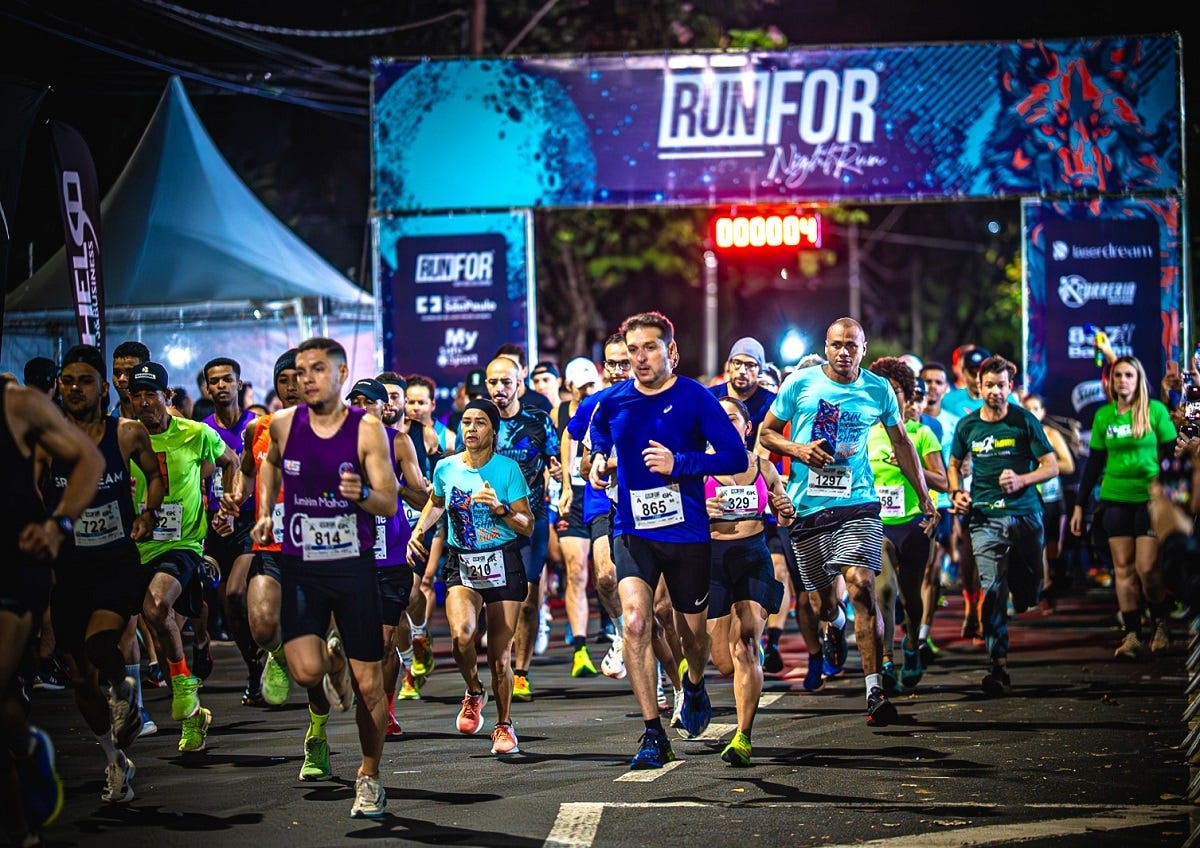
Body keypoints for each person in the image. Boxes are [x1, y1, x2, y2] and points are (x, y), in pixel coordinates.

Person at [587, 311, 748, 769]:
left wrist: (680, 463)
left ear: (671, 351)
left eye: (650, 348)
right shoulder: (613, 401)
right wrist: (598, 461)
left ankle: (693, 683)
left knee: (692, 637)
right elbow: (599, 437)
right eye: (633, 350)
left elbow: (735, 457)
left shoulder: (695, 397)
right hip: (632, 529)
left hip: (687, 534)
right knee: (636, 622)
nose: (640, 358)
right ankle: (653, 733)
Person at [758, 317, 937, 727]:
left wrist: (926, 496)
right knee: (822, 605)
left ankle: (875, 690)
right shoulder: (800, 384)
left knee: (861, 586)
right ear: (826, 346)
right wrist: (798, 450)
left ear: (863, 349)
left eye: (851, 345)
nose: (843, 352)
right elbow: (767, 435)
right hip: (808, 508)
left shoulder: (878, 389)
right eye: (836, 344)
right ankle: (836, 624)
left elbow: (901, 441)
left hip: (858, 503)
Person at [250, 337, 397, 818]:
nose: (306, 379)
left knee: (370, 687)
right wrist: (266, 512)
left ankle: (369, 775)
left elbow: (388, 502)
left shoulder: (366, 429)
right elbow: (270, 466)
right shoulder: (284, 424)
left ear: (340, 373)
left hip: (353, 567)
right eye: (299, 371)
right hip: (302, 565)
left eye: (317, 369)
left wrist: (362, 495)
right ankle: (333, 667)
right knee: (305, 672)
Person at [37, 344, 165, 804]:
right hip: (70, 568)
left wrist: (147, 513)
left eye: (85, 381)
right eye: (68, 381)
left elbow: (155, 476)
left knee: (99, 643)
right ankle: (115, 760)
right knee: (80, 681)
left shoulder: (126, 433)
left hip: (115, 561)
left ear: (105, 388)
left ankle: (123, 689)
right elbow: (32, 493)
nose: (75, 389)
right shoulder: (46, 440)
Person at [225, 348, 340, 781]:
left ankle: (317, 734)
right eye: (284, 379)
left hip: (319, 554)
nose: (293, 386)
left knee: (310, 661)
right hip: (272, 547)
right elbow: (246, 472)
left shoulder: (333, 428)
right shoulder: (259, 428)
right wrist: (236, 497)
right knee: (261, 625)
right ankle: (273, 655)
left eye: (300, 377)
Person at [1, 372, 104, 848]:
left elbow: (89, 458)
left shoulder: (17, 404)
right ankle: (25, 755)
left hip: (16, 564)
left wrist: (58, 525)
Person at [406, 398, 534, 756]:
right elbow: (435, 502)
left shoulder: (507, 470)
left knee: (499, 656)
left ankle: (504, 725)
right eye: (466, 422)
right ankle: (475, 691)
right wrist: (418, 532)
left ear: (493, 431)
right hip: (462, 562)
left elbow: (527, 525)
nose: (471, 429)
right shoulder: (446, 468)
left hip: (503, 561)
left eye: (480, 422)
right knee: (462, 638)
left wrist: (501, 509)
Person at [128, 361, 239, 753]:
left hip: (182, 544)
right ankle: (192, 714)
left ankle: (184, 681)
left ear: (167, 396)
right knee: (152, 635)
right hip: (134, 546)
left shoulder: (195, 433)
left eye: (151, 394)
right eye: (137, 395)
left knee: (158, 606)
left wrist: (227, 505)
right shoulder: (123, 438)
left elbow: (231, 461)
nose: (144, 402)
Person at [948, 354, 1058, 695]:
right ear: (978, 387)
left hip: (1025, 514)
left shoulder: (1024, 421)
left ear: (1011, 387)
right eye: (989, 385)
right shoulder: (967, 426)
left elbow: (1051, 466)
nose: (995, 391)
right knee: (993, 588)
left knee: (1028, 589)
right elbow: (954, 464)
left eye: (1001, 385)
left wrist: (1023, 479)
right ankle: (997, 665)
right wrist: (955, 492)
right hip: (985, 516)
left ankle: (1026, 594)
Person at [704, 396, 794, 766]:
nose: (725, 425)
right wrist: (699, 511)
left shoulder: (763, 466)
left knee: (745, 646)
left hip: (753, 555)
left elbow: (783, 512)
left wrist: (785, 509)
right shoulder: (698, 468)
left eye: (732, 419)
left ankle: (743, 736)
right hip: (713, 560)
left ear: (747, 427)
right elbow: (679, 517)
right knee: (724, 662)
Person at [1069, 356, 1178, 657]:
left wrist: (1169, 492)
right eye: (1118, 375)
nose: (1123, 380)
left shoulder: (1155, 411)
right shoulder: (1104, 416)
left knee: (1147, 569)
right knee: (1123, 569)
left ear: (1138, 379)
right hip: (1115, 498)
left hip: (1150, 499)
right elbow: (1094, 464)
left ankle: (1160, 622)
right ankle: (1132, 635)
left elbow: (1172, 454)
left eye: (1129, 375)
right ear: (1111, 381)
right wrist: (1079, 506)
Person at [345, 378, 428, 734]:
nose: (361, 407)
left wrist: (397, 488)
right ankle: (365, 697)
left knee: (384, 640)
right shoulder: (337, 443)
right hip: (350, 554)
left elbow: (424, 500)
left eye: (368, 401)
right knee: (353, 642)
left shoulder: (399, 443)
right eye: (355, 401)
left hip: (391, 555)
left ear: (385, 407)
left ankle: (386, 709)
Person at [866, 357, 947, 694]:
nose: (888, 395)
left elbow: (942, 481)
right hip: (878, 523)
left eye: (896, 390)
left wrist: (907, 465)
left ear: (907, 394)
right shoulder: (866, 433)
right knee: (884, 590)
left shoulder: (920, 433)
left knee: (912, 595)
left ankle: (912, 641)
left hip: (914, 523)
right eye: (882, 389)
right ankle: (886, 661)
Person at [483, 355, 561, 699]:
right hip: (489, 522)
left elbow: (557, 462)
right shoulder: (479, 421)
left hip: (531, 519)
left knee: (528, 600)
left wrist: (560, 478)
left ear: (519, 383)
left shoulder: (538, 421)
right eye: (493, 382)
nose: (499, 388)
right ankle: (498, 669)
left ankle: (522, 673)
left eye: (506, 382)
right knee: (496, 601)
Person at [199, 357, 261, 701]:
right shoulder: (201, 430)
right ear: (207, 388)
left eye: (227, 379)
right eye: (214, 381)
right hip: (215, 525)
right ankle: (253, 666)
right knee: (226, 604)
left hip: (250, 521)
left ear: (239, 384)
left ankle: (265, 657)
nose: (221, 385)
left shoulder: (258, 425)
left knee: (237, 592)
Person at [554, 356, 602, 677]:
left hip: (599, 492)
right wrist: (559, 478)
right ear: (569, 387)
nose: (587, 391)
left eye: (591, 385)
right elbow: (549, 448)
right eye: (581, 387)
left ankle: (616, 628)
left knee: (606, 572)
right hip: (572, 496)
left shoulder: (603, 405)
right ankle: (580, 649)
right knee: (576, 571)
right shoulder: (558, 414)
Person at [1021, 393, 1076, 612]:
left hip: (1053, 499)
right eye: (1027, 408)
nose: (1032, 413)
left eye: (1036, 409)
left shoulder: (1051, 434)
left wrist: (1045, 464)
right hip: (1030, 500)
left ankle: (1053, 584)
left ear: (1042, 412)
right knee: (1038, 548)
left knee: (1053, 550)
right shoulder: (1018, 436)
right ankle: (1042, 592)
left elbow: (1069, 465)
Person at [708, 337, 776, 448]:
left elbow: (763, 451)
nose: (742, 371)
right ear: (729, 365)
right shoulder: (709, 397)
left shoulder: (771, 404)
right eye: (737, 363)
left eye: (750, 365)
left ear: (760, 370)